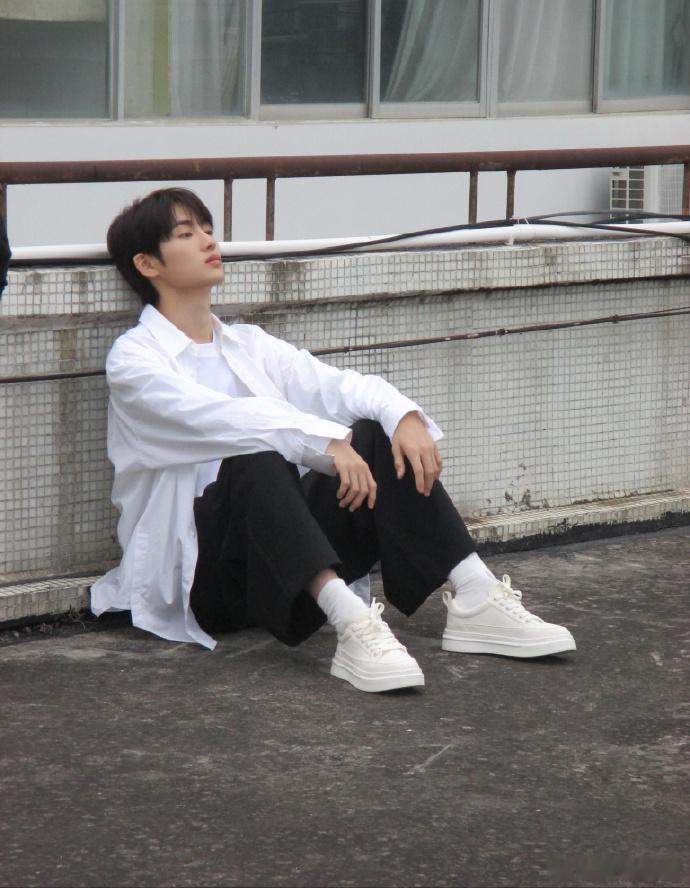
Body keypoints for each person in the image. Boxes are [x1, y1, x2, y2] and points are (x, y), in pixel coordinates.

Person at [91, 187, 576, 693]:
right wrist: (322, 443)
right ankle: (352, 622)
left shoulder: (248, 344)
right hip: (206, 581)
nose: (209, 242)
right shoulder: (134, 361)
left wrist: (402, 415)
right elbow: (223, 418)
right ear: (148, 263)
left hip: (280, 568)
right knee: (256, 456)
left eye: (209, 230)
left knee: (373, 432)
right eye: (186, 234)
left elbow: (337, 386)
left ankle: (474, 594)